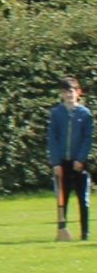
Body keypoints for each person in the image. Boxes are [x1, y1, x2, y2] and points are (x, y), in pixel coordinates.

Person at [48, 76, 92, 241]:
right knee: (62, 198)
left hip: (79, 163)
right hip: (62, 163)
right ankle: (62, 229)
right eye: (66, 92)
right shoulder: (56, 113)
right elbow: (52, 138)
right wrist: (56, 162)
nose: (69, 95)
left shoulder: (85, 114)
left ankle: (85, 232)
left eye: (71, 91)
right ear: (62, 94)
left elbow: (87, 139)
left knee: (83, 198)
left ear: (77, 93)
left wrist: (80, 159)